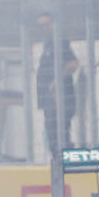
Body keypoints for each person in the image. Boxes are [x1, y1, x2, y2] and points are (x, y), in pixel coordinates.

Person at [35, 12, 78, 164]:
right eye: (41, 26)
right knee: (52, 134)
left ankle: (65, 163)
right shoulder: (47, 46)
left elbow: (73, 64)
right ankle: (59, 161)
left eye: (47, 25)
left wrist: (56, 81)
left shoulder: (60, 43)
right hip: (50, 102)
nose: (44, 29)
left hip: (61, 100)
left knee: (60, 134)